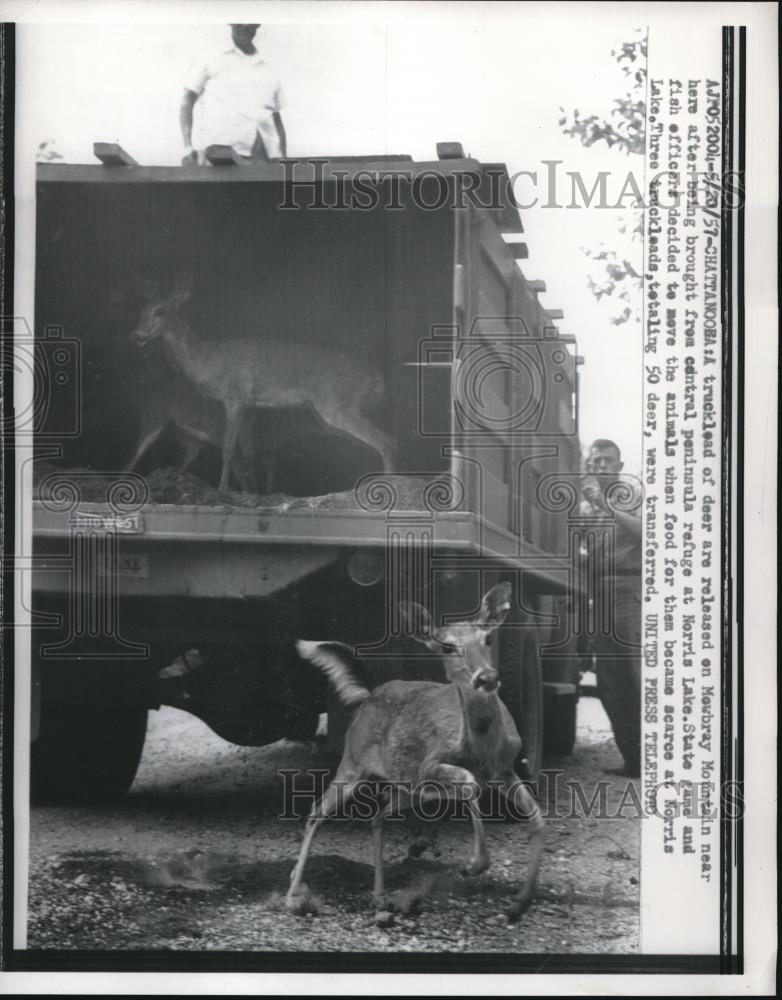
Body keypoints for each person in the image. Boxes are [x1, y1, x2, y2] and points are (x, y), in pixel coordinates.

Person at [579, 439, 642, 776]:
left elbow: (649, 533)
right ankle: (634, 759)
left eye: (608, 461)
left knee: (638, 677)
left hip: (631, 591)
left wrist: (608, 507)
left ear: (619, 466)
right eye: (596, 460)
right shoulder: (585, 507)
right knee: (610, 683)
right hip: (600, 595)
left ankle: (661, 759)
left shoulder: (632, 495)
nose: (601, 465)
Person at [180, 24, 287, 164]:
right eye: (240, 22)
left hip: (264, 158)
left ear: (257, 25)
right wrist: (188, 147)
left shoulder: (268, 68)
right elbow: (187, 101)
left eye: (249, 23)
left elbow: (276, 117)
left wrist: (284, 159)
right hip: (220, 156)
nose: (245, 27)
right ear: (231, 23)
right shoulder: (210, 57)